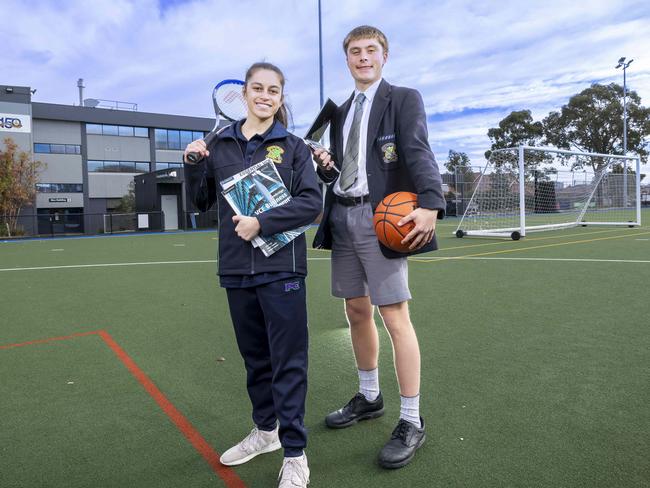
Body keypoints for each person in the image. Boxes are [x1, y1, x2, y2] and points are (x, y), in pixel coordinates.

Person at [312, 25, 446, 469]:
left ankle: (412, 418)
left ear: (384, 56)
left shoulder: (403, 98)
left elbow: (417, 149)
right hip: (342, 215)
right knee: (355, 310)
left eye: (371, 50)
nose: (363, 57)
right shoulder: (340, 111)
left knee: (394, 315)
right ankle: (370, 396)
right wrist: (327, 169)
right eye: (355, 51)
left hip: (381, 216)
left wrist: (431, 204)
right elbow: (340, 172)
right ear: (347, 59)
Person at [184, 62, 321, 487]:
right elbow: (200, 202)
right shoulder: (218, 143)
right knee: (256, 360)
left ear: (280, 98)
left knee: (288, 361)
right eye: (257, 88)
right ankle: (265, 432)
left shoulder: (294, 147)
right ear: (243, 93)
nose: (265, 95)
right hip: (237, 270)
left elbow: (311, 203)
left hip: (282, 268)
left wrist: (262, 223)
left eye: (274, 90)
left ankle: (295, 453)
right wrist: (193, 164)